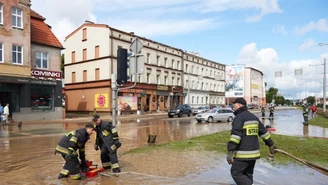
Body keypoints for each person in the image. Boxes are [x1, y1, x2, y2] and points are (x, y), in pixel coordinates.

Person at [227, 98, 276, 185]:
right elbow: (264, 133)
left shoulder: (239, 118)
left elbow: (235, 137)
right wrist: (271, 144)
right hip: (254, 154)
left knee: (236, 172)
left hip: (242, 154)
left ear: (239, 105)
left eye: (234, 105)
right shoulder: (254, 117)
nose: (233, 107)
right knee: (248, 174)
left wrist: (230, 152)